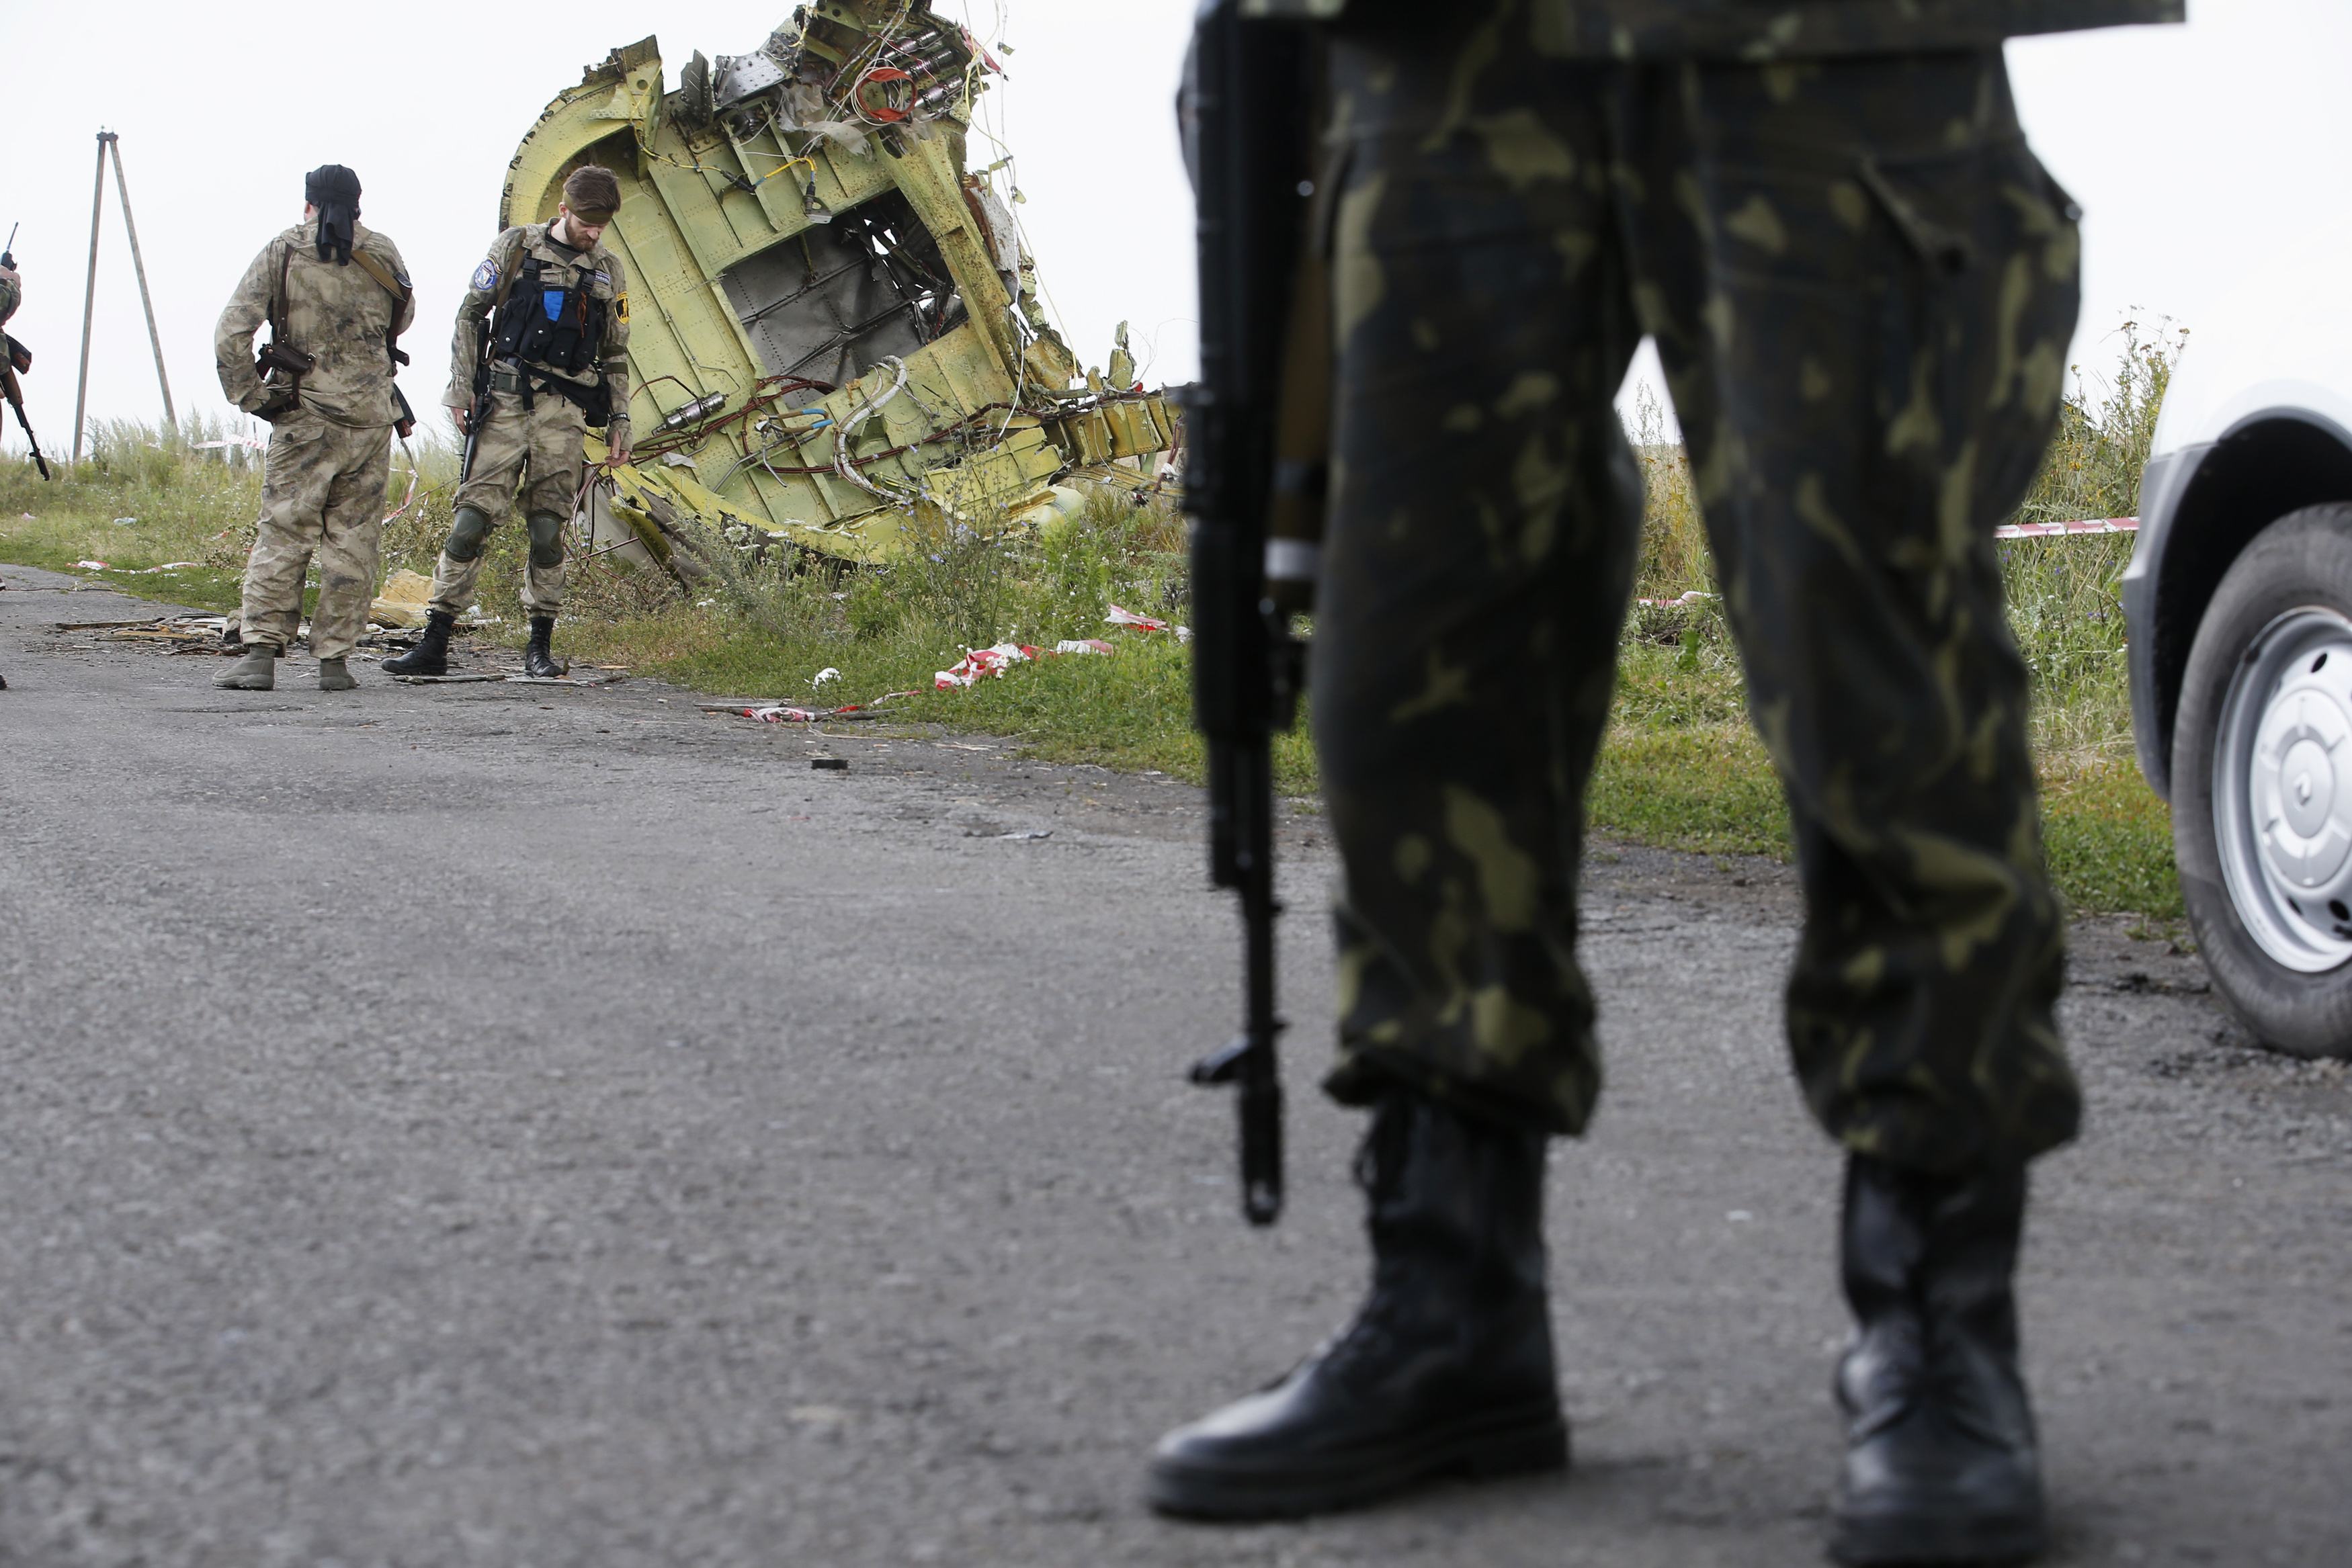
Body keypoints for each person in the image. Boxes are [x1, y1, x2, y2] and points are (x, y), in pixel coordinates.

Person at [1147, 1, 2181, 1563]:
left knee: (1875, 658)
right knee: (1405, 660)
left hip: (1820, 38)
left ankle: (1939, 1328)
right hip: (1443, 47)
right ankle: (1450, 1299)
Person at [383, 165, 633, 681]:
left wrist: (620, 421)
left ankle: (539, 645)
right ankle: (434, 642)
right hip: (504, 401)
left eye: (601, 224)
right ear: (563, 210)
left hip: (562, 413)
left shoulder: (607, 271)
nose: (593, 232)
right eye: (587, 221)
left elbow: (615, 355)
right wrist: (459, 387)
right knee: (471, 521)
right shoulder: (516, 247)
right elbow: (470, 315)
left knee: (547, 531)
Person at [212, 165, 414, 693]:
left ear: (309, 204)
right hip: (372, 419)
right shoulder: (383, 252)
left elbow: (232, 331)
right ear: (358, 205)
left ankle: (259, 656)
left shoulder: (285, 250)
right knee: (354, 542)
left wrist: (252, 397)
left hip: (304, 417)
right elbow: (405, 315)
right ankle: (335, 662)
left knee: (284, 532)